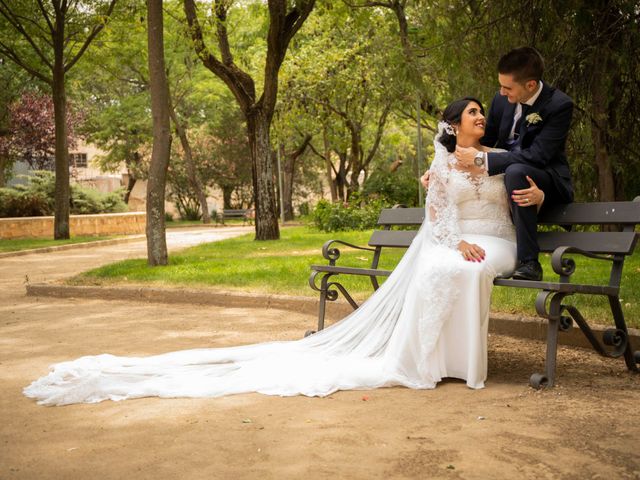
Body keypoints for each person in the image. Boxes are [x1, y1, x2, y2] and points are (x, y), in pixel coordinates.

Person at [24, 98, 529, 406]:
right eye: (473, 112)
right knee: (444, 266)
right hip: (460, 239)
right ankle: (433, 362)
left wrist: (535, 195)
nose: (482, 116)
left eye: (483, 112)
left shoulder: (501, 156)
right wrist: (454, 237)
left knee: (458, 270)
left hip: (497, 238)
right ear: (452, 124)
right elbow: (439, 218)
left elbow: (525, 175)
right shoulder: (439, 168)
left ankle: (463, 364)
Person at [454, 47, 574, 281]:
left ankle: (530, 263)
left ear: (530, 85)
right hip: (506, 172)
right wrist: (444, 167)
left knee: (516, 171)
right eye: (500, 85)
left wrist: (482, 160)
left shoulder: (559, 105)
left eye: (507, 88)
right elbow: (485, 140)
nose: (501, 92)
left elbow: (538, 155)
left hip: (545, 175)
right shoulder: (502, 99)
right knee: (512, 171)